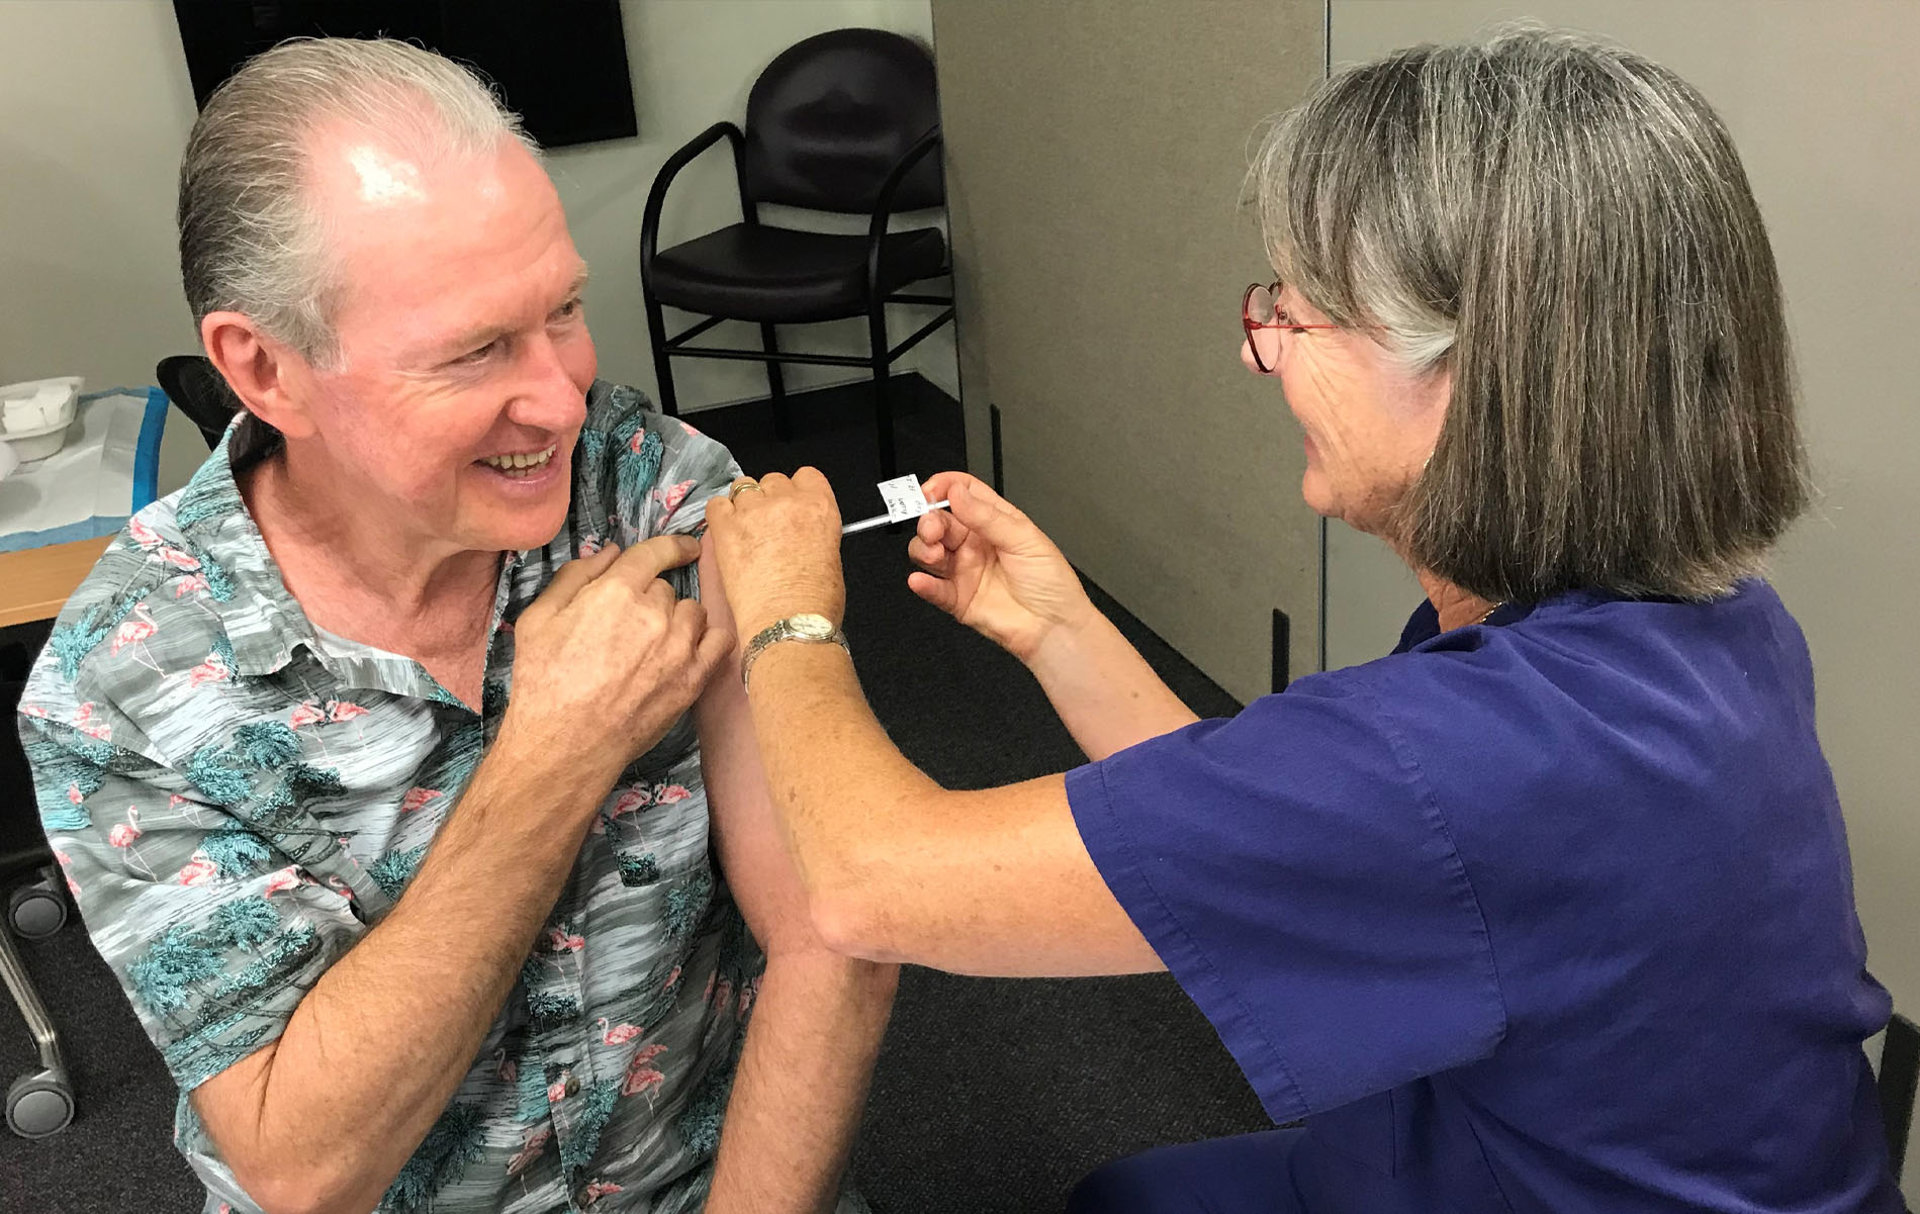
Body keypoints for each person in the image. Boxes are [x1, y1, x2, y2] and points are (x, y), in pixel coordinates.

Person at [702, 28, 1905, 1214]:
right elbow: (1282, 836)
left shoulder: (1471, 756)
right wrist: (1057, 626)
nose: (1255, 348)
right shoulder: (1699, 623)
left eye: (1297, 311)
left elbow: (868, 883)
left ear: (1477, 376)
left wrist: (784, 611)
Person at [18, 39, 893, 1214]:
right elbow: (301, 1164)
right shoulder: (125, 681)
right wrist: (557, 749)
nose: (567, 393)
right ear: (265, 369)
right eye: (477, 348)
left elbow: (835, 925)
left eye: (565, 310)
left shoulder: (655, 493)